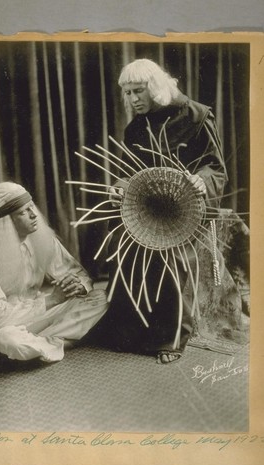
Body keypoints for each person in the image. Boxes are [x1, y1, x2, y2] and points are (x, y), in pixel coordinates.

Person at [82, 58, 228, 364]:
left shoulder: (197, 115)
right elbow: (136, 171)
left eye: (138, 91)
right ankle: (130, 332)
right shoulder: (137, 127)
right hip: (150, 203)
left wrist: (200, 180)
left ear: (156, 87)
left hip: (188, 206)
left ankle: (169, 339)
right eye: (127, 93)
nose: (133, 100)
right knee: (126, 243)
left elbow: (216, 167)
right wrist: (121, 185)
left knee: (172, 256)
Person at [0, 181, 108, 363]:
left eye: (32, 207)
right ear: (6, 222)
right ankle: (63, 341)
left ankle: (33, 350)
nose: (33, 215)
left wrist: (78, 285)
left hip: (39, 312)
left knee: (100, 298)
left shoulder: (42, 238)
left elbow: (80, 274)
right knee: (10, 339)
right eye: (23, 212)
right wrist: (52, 299)